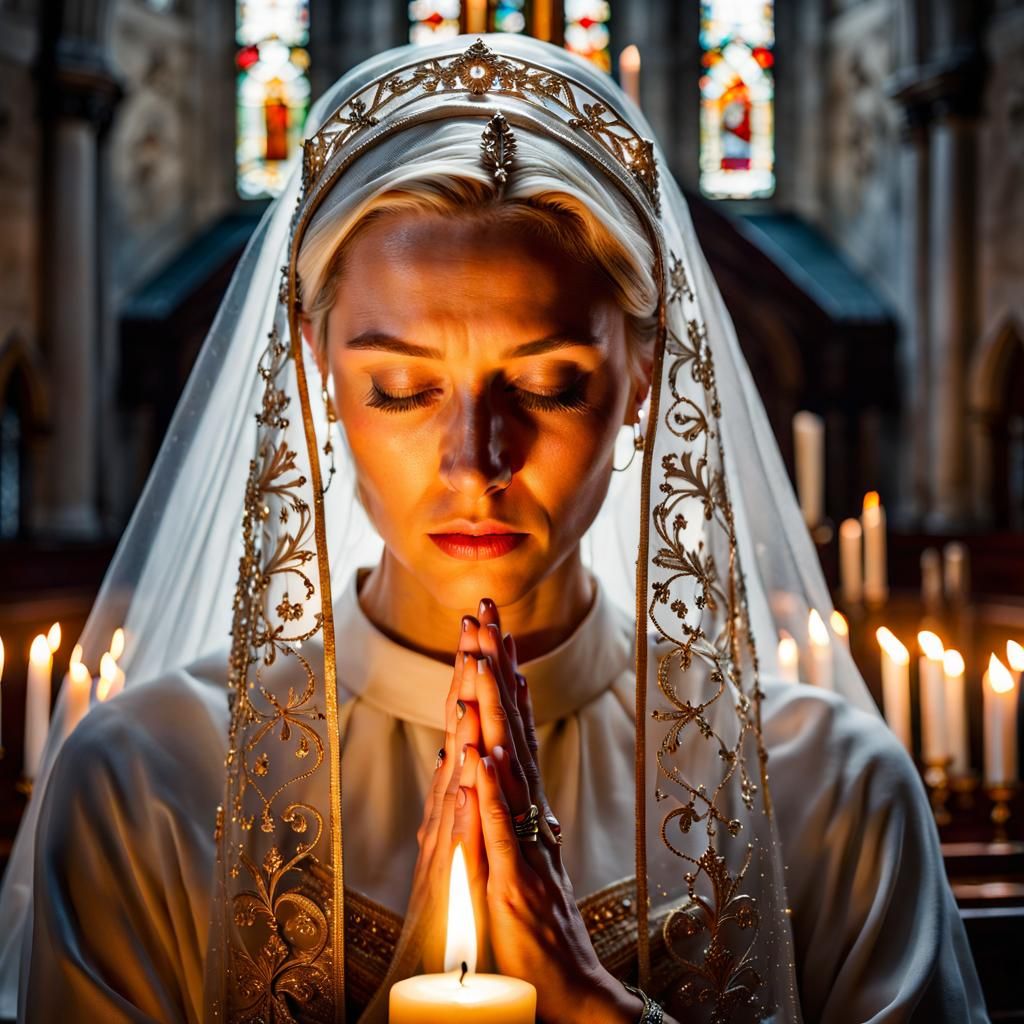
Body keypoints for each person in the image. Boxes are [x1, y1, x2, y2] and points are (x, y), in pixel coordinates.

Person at [0, 34, 989, 1024]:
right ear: (317, 369)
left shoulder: (829, 789)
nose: (476, 459)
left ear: (643, 376)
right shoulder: (144, 785)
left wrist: (594, 1003)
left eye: (550, 383)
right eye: (400, 386)